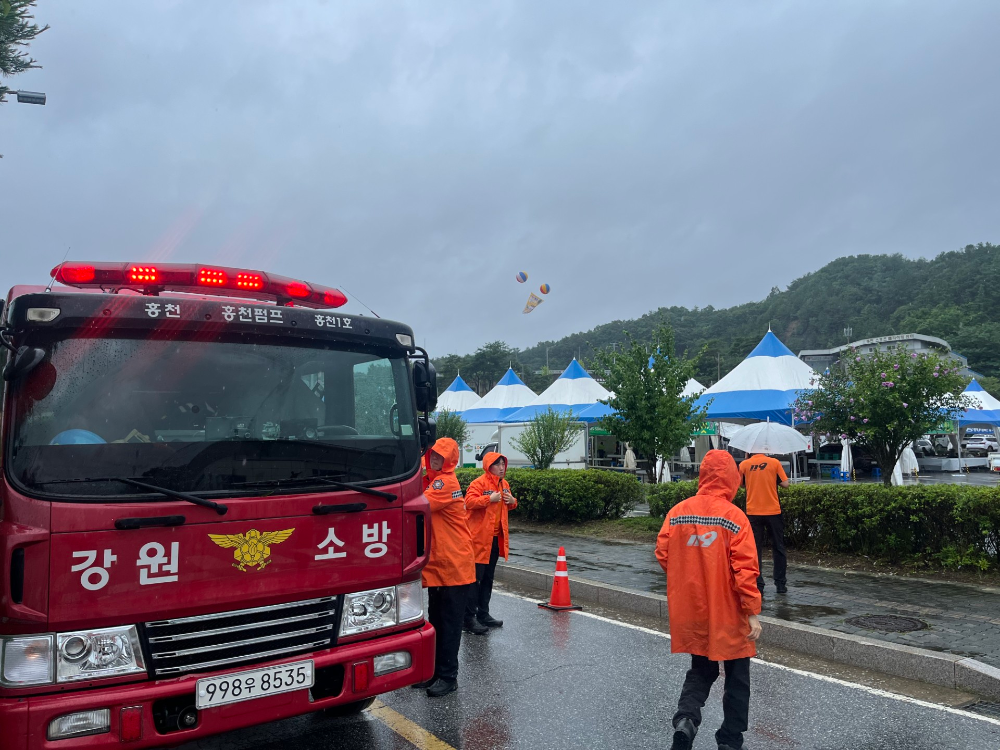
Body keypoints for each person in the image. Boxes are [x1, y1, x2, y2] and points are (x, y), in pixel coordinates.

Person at [656, 450, 762, 750]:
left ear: (703, 474)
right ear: (732, 478)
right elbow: (745, 569)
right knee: (737, 677)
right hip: (729, 610)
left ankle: (686, 720)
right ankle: (730, 739)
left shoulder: (678, 512)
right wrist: (752, 611)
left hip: (692, 607)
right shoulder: (734, 517)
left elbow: (664, 554)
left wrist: (691, 574)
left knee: (701, 669)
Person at [417, 438, 477, 697]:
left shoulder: (444, 483)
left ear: (450, 460)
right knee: (437, 622)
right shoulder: (434, 481)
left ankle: (448, 676)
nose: (434, 460)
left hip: (454, 566)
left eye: (440, 457)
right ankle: (433, 672)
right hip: (442, 566)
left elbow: (421, 505)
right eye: (433, 456)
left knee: (450, 625)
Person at [464, 452, 518, 631]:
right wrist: (489, 498)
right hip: (479, 540)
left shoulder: (505, 484)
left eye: (503, 464)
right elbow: (469, 502)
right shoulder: (478, 483)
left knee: (488, 578)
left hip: (495, 539)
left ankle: (483, 614)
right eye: (498, 464)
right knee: (475, 580)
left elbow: (509, 504)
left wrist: (512, 501)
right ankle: (469, 619)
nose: (502, 468)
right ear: (489, 466)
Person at [739, 451, 790, 595]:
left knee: (755, 550)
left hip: (753, 512)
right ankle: (780, 585)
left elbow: (741, 485)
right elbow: (785, 484)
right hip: (773, 511)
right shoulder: (774, 463)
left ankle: (758, 584)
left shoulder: (744, 465)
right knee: (778, 547)